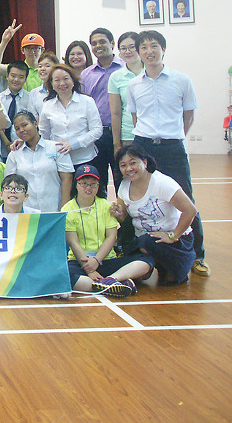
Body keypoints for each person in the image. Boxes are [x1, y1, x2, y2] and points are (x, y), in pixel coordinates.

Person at [126, 30, 208, 276]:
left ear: (163, 49)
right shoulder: (133, 84)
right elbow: (135, 116)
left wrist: (173, 136)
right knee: (135, 195)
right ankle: (132, 251)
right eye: (144, 47)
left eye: (154, 46)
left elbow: (188, 115)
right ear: (139, 53)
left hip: (172, 147)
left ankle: (198, 255)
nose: (149, 51)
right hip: (144, 146)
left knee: (186, 198)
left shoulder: (182, 80)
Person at [110, 145, 198, 285]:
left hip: (174, 241)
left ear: (145, 162)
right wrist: (118, 215)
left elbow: (190, 210)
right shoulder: (124, 185)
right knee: (139, 253)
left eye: (133, 163)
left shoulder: (162, 183)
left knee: (169, 279)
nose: (129, 169)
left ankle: (163, 264)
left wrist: (173, 236)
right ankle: (148, 265)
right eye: (123, 165)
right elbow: (124, 218)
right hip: (143, 240)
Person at [63, 165, 153, 298]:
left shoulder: (106, 206)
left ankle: (111, 280)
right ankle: (113, 284)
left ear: (99, 185)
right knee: (64, 276)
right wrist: (89, 268)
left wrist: (96, 260)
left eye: (93, 184)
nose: (88, 188)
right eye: (84, 184)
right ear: (76, 185)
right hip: (79, 261)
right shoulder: (67, 209)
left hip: (105, 259)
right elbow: (73, 242)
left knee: (146, 260)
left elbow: (111, 237)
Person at [38, 63, 102, 185]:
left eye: (66, 79)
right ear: (51, 84)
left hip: (85, 159)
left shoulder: (87, 101)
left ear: (73, 81)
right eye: (57, 80)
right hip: (59, 160)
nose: (62, 83)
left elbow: (97, 130)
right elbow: (43, 134)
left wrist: (73, 144)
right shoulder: (47, 105)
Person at [80, 28, 123, 195]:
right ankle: (100, 212)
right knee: (97, 181)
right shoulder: (86, 74)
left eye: (102, 42)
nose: (98, 46)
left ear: (112, 44)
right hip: (96, 135)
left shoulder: (124, 69)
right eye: (94, 43)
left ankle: (125, 212)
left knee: (123, 180)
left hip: (120, 133)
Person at [4, 111, 74, 212]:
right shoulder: (14, 154)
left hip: (54, 208)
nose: (21, 130)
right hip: (27, 211)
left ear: (35, 123)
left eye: (25, 125)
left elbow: (67, 179)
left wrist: (64, 209)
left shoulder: (56, 148)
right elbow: (9, 183)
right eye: (17, 128)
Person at [107, 31, 143, 164]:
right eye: (123, 48)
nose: (128, 51)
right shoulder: (116, 77)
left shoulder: (151, 73)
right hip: (128, 135)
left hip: (150, 135)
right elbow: (116, 113)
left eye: (132, 47)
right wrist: (117, 143)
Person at [0, 19, 46, 92]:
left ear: (42, 50)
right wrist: (4, 41)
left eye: (36, 48)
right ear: (22, 50)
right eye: (28, 48)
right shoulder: (16, 68)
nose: (32, 51)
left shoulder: (46, 70)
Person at [0, 61, 32, 158]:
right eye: (13, 76)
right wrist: (7, 143)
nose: (16, 80)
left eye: (21, 77)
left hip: (24, 147)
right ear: (7, 76)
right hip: (1, 148)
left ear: (25, 79)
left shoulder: (30, 98)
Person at [29, 51, 60, 118]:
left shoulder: (61, 91)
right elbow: (33, 118)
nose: (42, 69)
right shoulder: (33, 93)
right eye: (40, 66)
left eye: (47, 66)